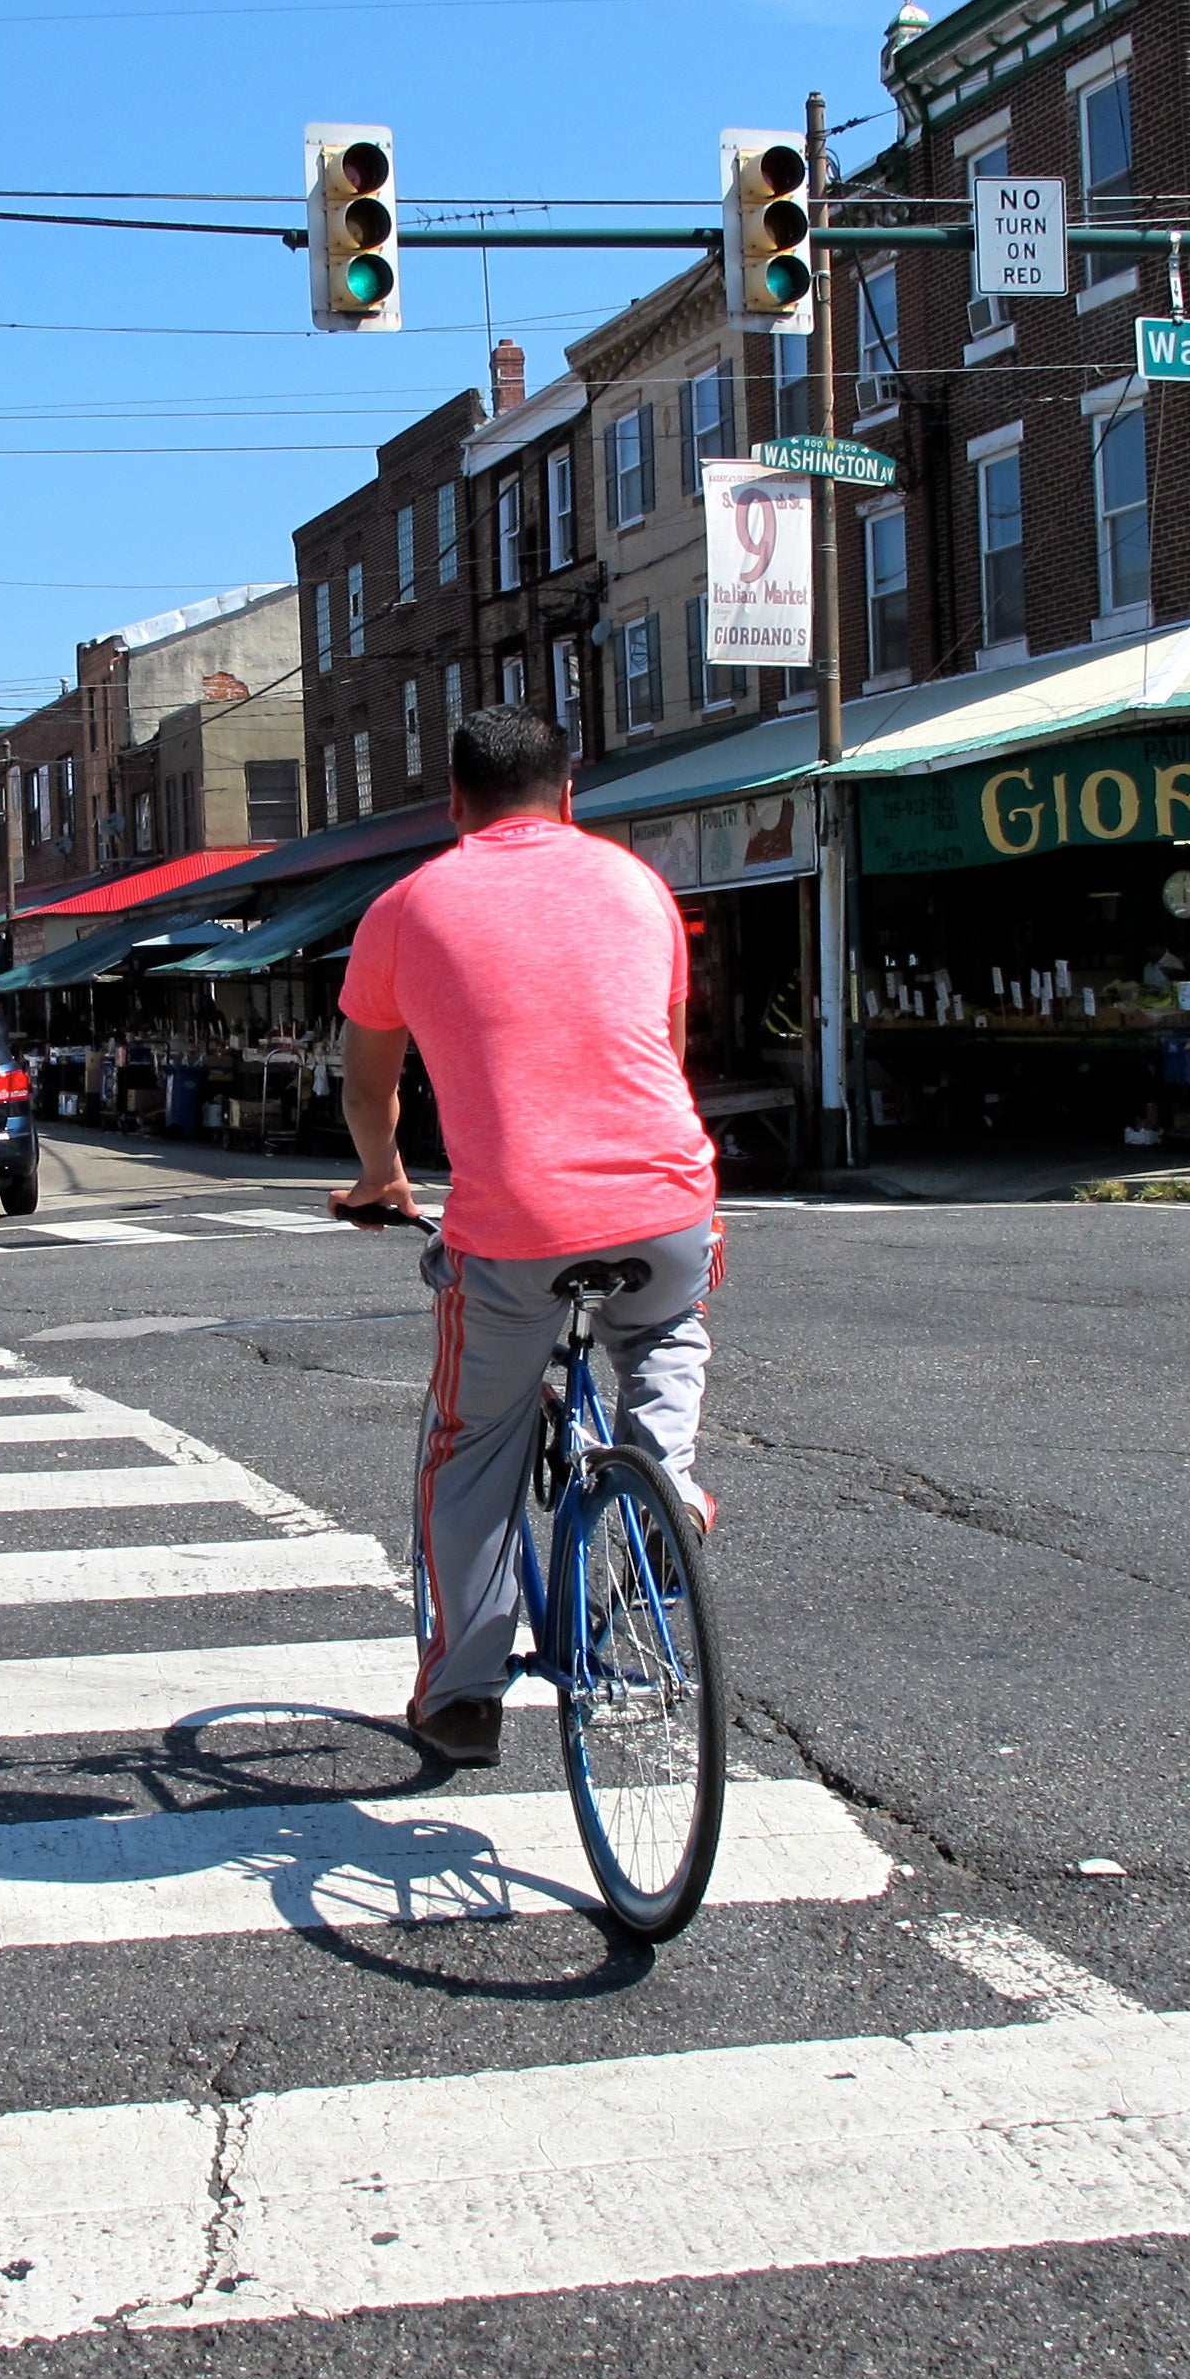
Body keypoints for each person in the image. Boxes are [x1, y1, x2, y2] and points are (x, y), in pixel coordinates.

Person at [330, 704, 721, 1769]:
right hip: (668, 1201)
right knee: (668, 1327)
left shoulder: (405, 908)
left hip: (516, 1227)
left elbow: (371, 1084)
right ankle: (667, 1489)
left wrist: (382, 1177)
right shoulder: (639, 885)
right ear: (569, 793)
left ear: (452, 804)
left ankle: (462, 1692)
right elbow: (666, 1053)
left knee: (475, 1447)